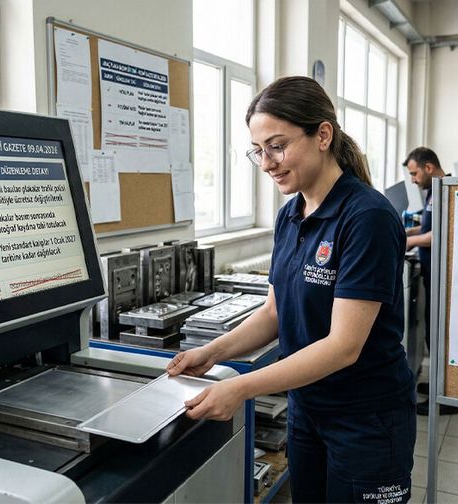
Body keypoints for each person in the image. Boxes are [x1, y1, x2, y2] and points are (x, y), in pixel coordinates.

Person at [167, 76, 415, 503]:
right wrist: (213, 352)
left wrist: (240, 387)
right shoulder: (290, 215)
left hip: (365, 419)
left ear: (323, 135)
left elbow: (343, 347)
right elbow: (273, 314)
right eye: (258, 151)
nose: (267, 163)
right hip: (308, 410)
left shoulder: (366, 217)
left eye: (277, 146)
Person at [403, 147, 458, 416]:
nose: (412, 179)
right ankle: (439, 387)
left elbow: (440, 235)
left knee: (440, 335)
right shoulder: (432, 193)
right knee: (431, 332)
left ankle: (446, 399)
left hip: (442, 278)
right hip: (429, 272)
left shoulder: (445, 190)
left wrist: (405, 240)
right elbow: (427, 228)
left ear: (428, 168)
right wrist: (407, 231)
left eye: (414, 173)